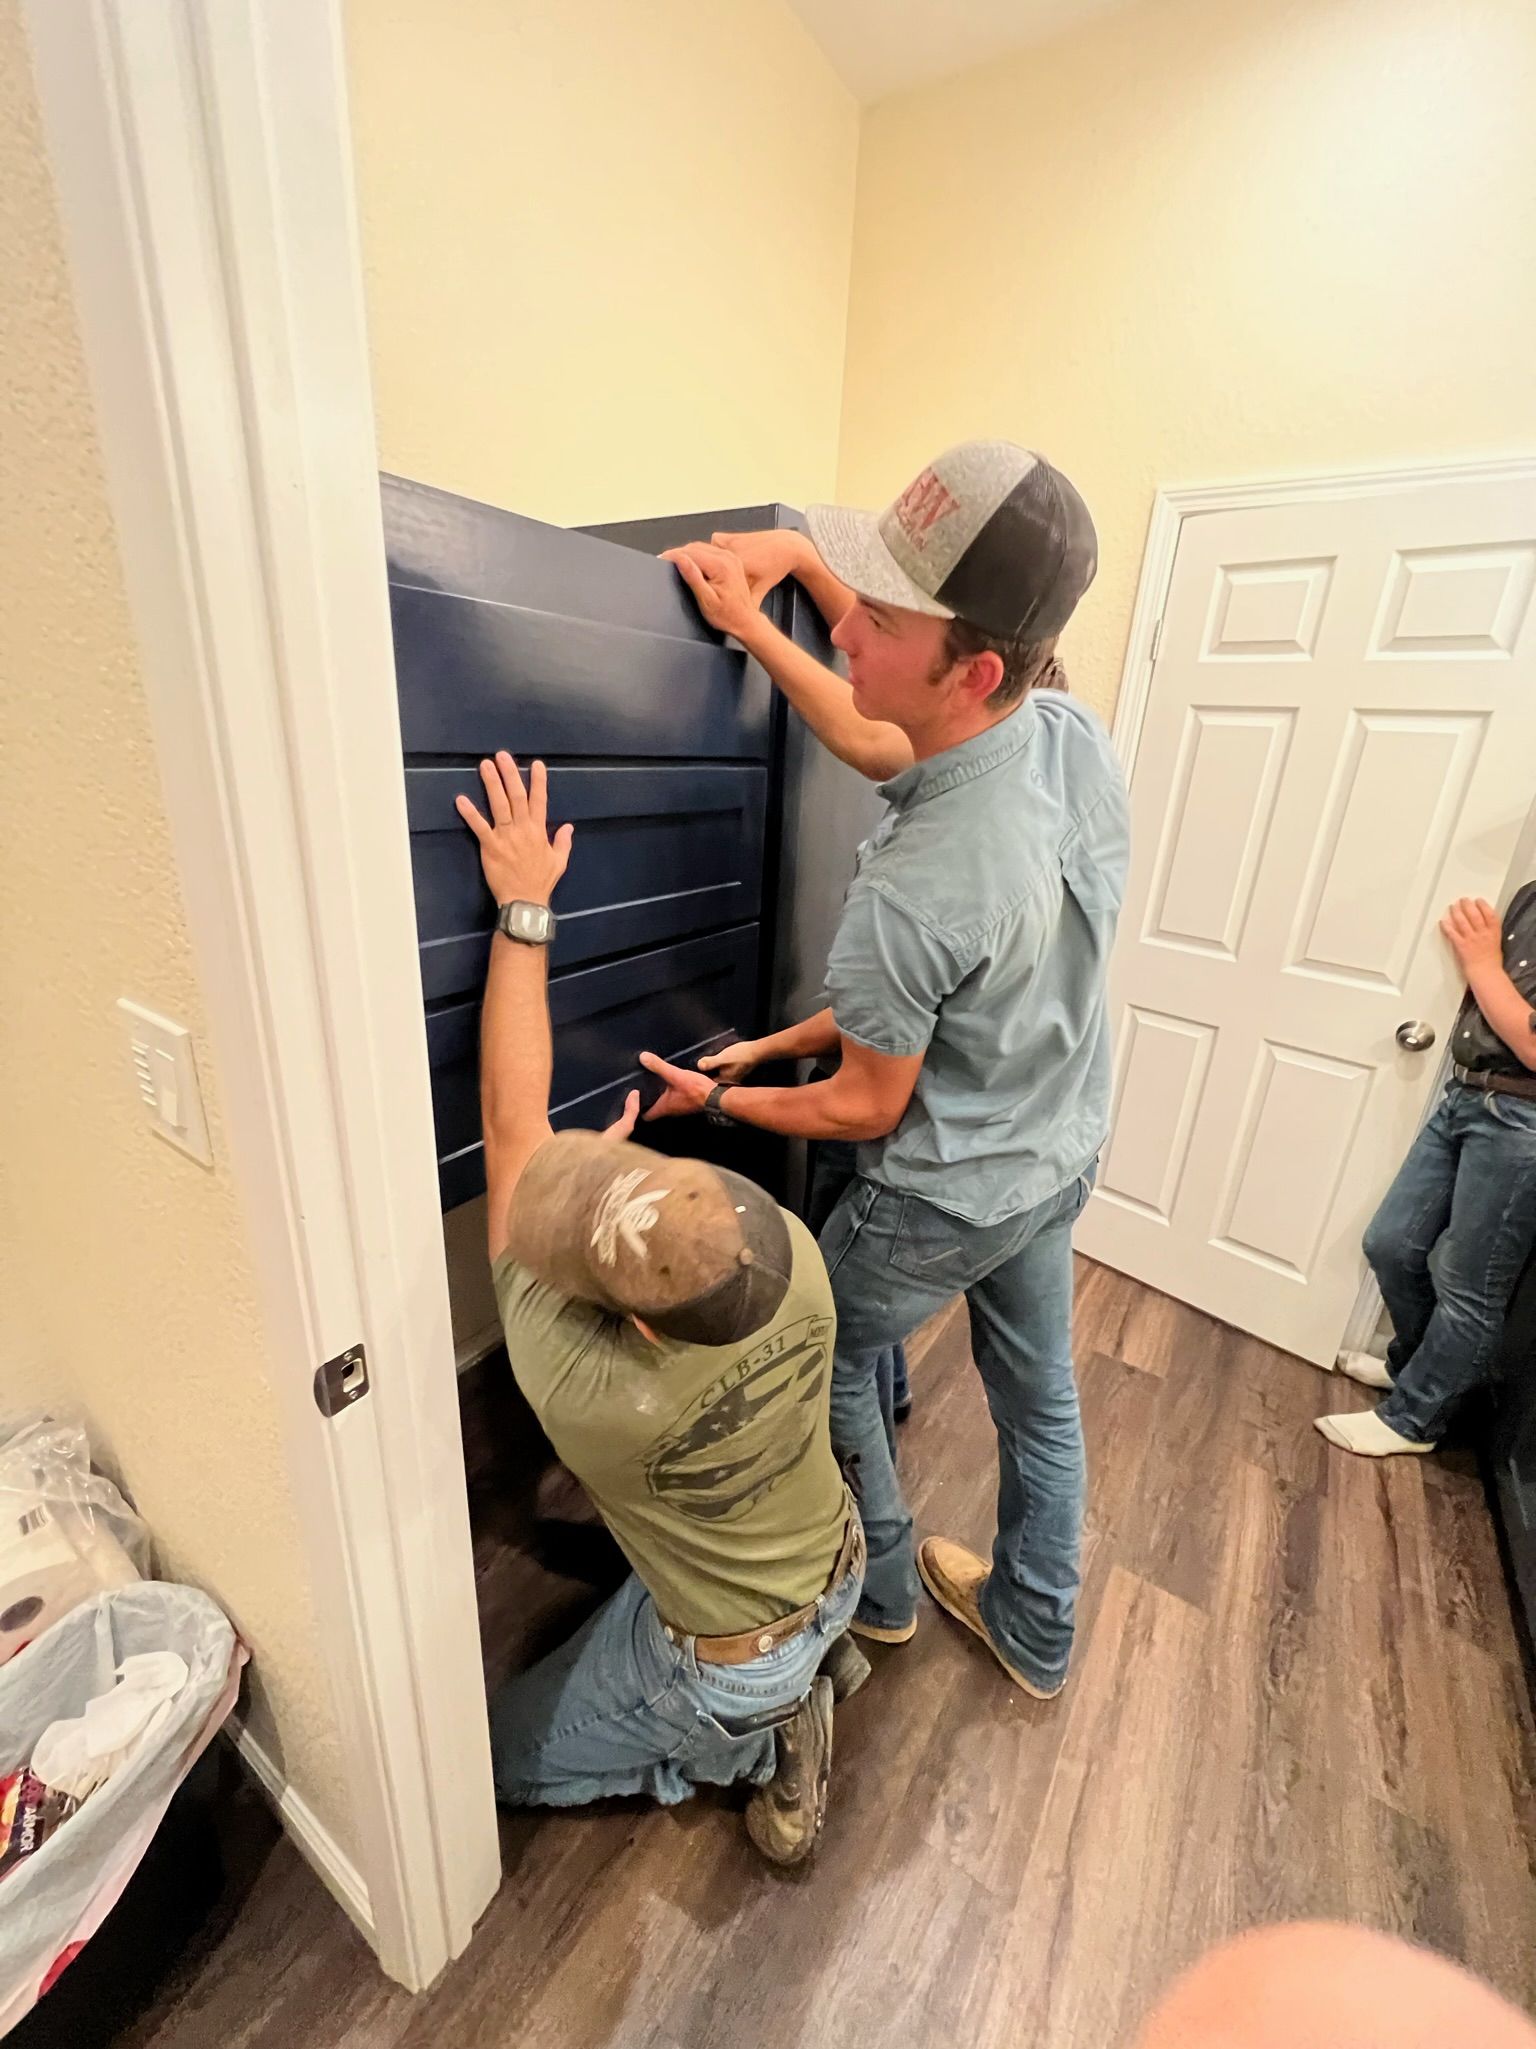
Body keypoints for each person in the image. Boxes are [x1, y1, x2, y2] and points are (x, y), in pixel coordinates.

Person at [640, 441, 1128, 1700]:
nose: (847, 627)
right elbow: (880, 742)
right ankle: (1034, 1623)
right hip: (1056, 1139)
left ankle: (886, 1589)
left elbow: (866, 1100)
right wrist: (781, 583)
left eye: (880, 615)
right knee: (1039, 1393)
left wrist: (717, 1097)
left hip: (948, 1186)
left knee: (825, 1352)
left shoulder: (914, 893)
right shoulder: (1062, 730)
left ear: (969, 669)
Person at [456, 751, 865, 1864]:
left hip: (734, 1660)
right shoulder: (791, 1257)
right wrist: (617, 1210)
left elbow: (512, 1125)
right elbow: (633, 1212)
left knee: (480, 1760)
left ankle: (764, 1737)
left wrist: (522, 905)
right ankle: (816, 1663)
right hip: (837, 1556)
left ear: (628, 1323)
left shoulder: (584, 1397)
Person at [1320, 888, 1536, 1459]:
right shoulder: (1532, 895)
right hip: (1469, 1094)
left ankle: (1415, 1419)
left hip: (1525, 1118)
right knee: (1391, 1243)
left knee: (1470, 1286)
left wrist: (1483, 963)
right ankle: (1417, 1374)